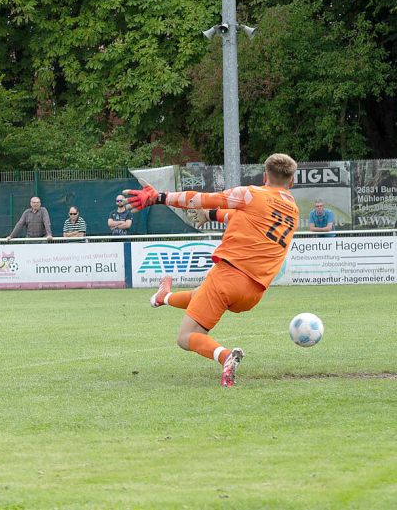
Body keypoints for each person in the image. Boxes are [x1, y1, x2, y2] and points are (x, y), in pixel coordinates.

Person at [127, 153, 300, 387]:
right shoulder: (292, 211)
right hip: (253, 293)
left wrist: (159, 197)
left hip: (229, 276)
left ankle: (225, 356)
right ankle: (163, 297)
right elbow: (242, 217)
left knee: (185, 337)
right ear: (291, 182)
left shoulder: (252, 194)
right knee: (200, 294)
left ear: (264, 175)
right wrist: (210, 216)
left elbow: (203, 198)